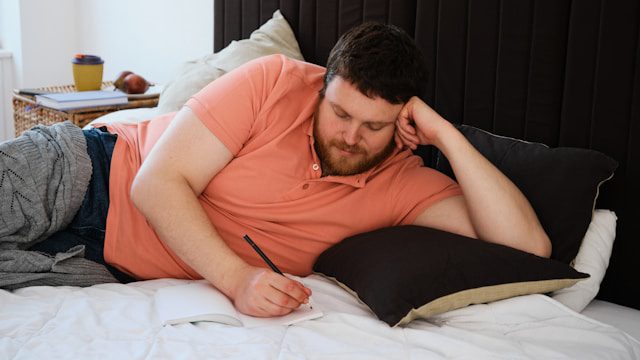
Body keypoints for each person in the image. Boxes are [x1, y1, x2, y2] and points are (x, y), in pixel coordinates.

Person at [14, 22, 550, 318]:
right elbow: (155, 184)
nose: (350, 136)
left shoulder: (404, 183)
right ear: (321, 86)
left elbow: (528, 248)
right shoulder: (273, 79)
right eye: (340, 113)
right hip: (87, 173)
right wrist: (237, 279)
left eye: (374, 126)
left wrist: (448, 138)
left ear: (402, 120)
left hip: (94, 263)